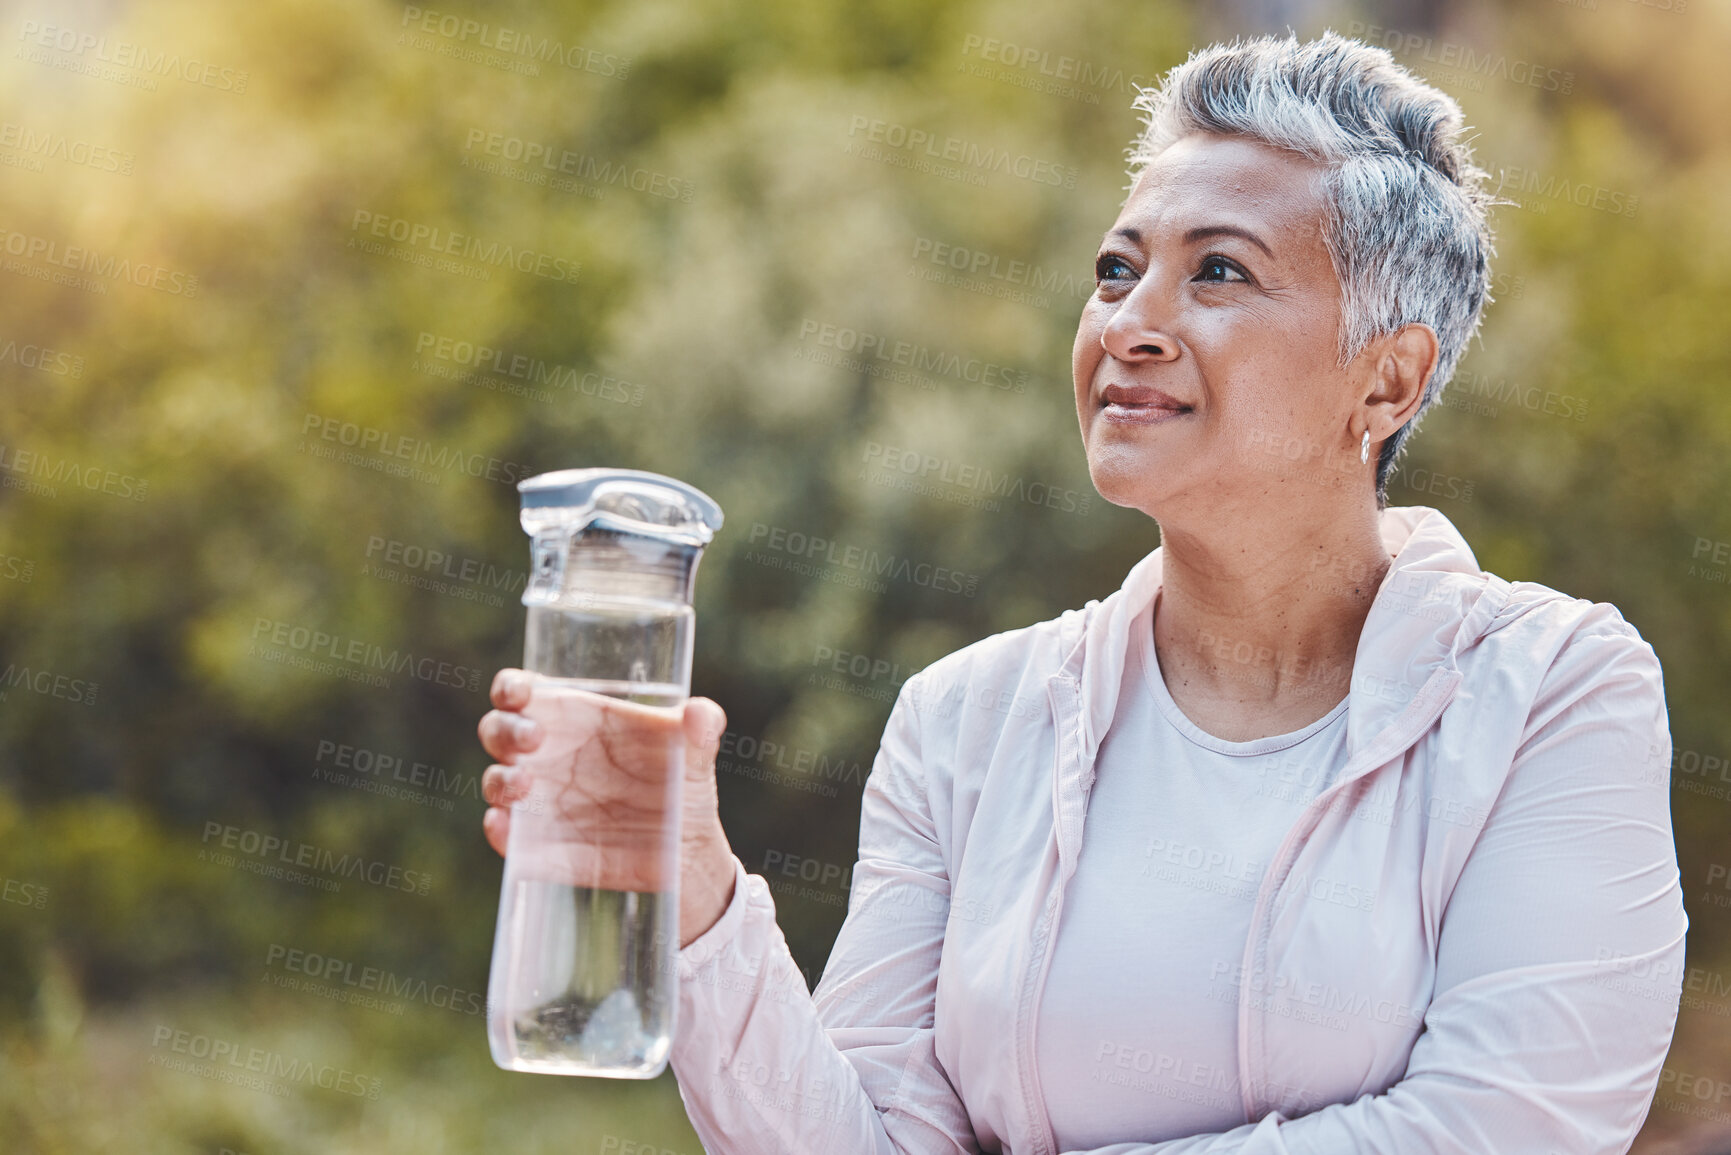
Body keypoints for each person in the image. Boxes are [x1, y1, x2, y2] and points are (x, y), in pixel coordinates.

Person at [478, 30, 1685, 1154]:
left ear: (1389, 380)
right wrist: (694, 895)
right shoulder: (966, 722)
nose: (1131, 324)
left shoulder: (1552, 694)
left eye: (1218, 273)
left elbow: (1503, 1126)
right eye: (1117, 270)